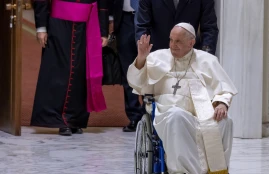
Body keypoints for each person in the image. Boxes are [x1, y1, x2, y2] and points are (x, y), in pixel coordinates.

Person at [127, 23, 238, 174]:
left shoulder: (208, 60)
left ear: (191, 42)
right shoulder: (158, 58)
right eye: (171, 40)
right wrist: (141, 58)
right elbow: (136, 82)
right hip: (169, 111)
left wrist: (222, 103)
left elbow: (224, 87)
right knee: (177, 116)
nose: (173, 45)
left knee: (224, 122)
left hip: (202, 112)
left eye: (178, 41)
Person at [31, 0, 109, 136]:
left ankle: (75, 120)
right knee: (60, 72)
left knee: (81, 72)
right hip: (59, 24)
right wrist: (41, 27)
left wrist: (103, 31)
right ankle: (60, 120)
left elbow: (103, 2)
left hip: (87, 24)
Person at [108, 0, 144, 132]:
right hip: (124, 19)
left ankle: (149, 113)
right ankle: (134, 116)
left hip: (149, 18)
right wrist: (111, 17)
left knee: (151, 66)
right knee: (128, 69)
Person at [135, 0, 219, 54]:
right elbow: (142, 26)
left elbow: (209, 28)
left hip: (190, 55)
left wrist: (205, 55)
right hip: (158, 55)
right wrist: (146, 53)